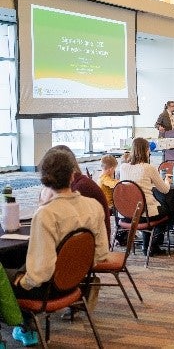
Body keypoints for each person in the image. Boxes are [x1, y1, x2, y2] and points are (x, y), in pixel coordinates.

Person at [9, 148, 109, 347]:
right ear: (73, 174)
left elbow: (41, 273)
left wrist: (23, 282)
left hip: (49, 291)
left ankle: (24, 326)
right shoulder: (93, 207)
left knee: (5, 276)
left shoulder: (46, 214)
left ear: (43, 179)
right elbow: (101, 252)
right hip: (78, 283)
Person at [40, 145, 111, 240]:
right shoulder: (80, 183)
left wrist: (45, 204)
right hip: (89, 245)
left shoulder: (80, 188)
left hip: (87, 247)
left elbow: (62, 223)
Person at [119, 137, 172, 256]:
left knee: (148, 207)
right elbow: (164, 190)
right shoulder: (148, 168)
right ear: (146, 150)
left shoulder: (123, 167)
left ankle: (147, 244)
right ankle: (153, 244)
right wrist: (167, 180)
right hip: (145, 214)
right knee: (170, 211)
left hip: (127, 213)